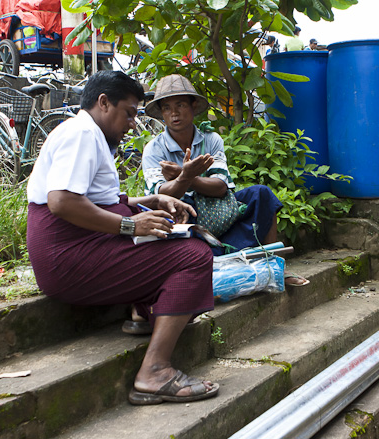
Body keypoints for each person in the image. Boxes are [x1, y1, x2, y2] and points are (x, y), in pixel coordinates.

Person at [26, 70, 219, 405]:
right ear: (103, 103)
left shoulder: (87, 133)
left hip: (78, 248)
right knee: (194, 255)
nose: (132, 123)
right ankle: (154, 371)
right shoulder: (82, 134)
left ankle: (146, 315)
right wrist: (131, 226)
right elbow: (61, 201)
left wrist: (148, 201)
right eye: (129, 113)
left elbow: (93, 196)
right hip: (67, 256)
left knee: (172, 237)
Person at [141, 74, 310, 287]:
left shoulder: (211, 139)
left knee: (261, 194)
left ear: (193, 106)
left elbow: (221, 187)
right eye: (166, 108)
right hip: (187, 223)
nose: (174, 113)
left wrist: (186, 177)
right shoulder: (154, 149)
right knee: (177, 216)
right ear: (162, 114)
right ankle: (213, 263)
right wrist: (186, 176)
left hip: (220, 215)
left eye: (181, 105)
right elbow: (161, 195)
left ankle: (274, 268)